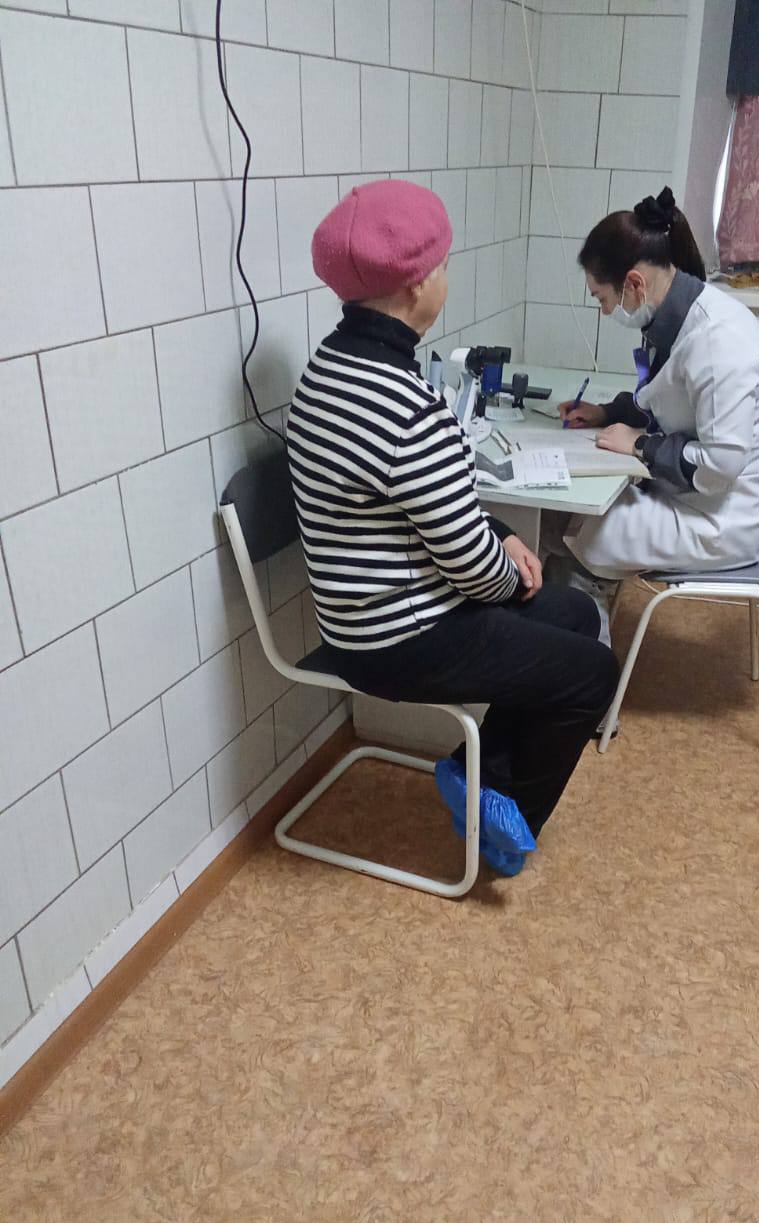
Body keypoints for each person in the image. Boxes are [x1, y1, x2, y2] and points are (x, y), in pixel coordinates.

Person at [286, 180, 619, 877]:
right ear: (416, 286)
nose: (446, 277)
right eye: (443, 264)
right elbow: (470, 567)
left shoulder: (325, 372)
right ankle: (506, 822)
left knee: (573, 614)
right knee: (591, 673)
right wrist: (510, 572)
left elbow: (418, 505)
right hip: (402, 641)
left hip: (358, 622)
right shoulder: (408, 407)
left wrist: (500, 536)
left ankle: (479, 773)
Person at [546, 187, 759, 646]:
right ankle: (577, 634)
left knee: (573, 528)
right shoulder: (674, 316)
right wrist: (606, 412)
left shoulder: (719, 341)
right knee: (566, 521)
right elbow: (662, 396)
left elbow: (720, 466)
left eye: (603, 298)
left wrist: (639, 446)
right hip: (694, 496)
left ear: (634, 284)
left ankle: (588, 669)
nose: (605, 312)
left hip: (722, 518)